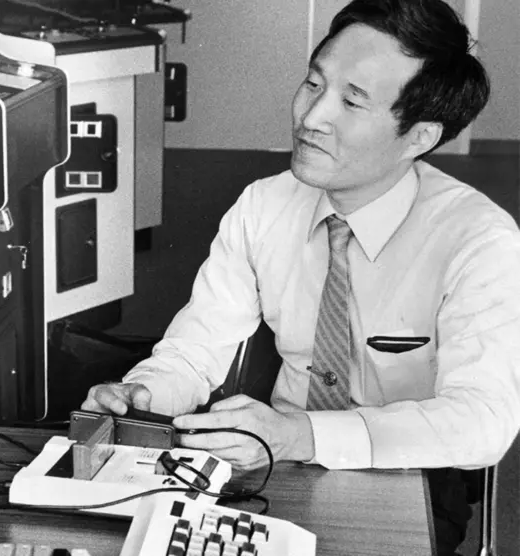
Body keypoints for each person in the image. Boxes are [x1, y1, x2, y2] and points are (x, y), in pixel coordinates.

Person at [82, 0, 520, 553]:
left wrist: (302, 435)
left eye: (351, 102)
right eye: (314, 84)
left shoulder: (478, 240)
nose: (311, 117)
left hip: (406, 475)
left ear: (419, 137)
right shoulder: (262, 206)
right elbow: (195, 351)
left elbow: (483, 420)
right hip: (270, 469)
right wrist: (145, 392)